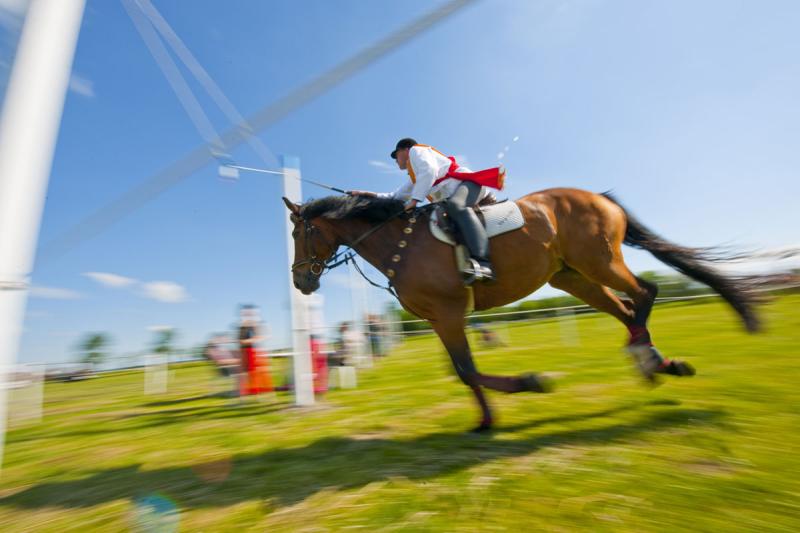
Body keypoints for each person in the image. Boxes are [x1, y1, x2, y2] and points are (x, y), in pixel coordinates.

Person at [351, 138, 505, 283]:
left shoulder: (416, 151)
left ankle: (484, 264)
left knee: (456, 205)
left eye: (396, 155)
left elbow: (429, 171)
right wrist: (366, 194)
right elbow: (395, 196)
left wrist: (415, 200)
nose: (395, 160)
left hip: (468, 184)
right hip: (455, 195)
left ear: (405, 149)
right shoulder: (415, 175)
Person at [238, 304, 273, 397]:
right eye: (247, 314)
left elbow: (262, 336)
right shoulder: (243, 327)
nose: (249, 316)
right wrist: (253, 339)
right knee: (248, 372)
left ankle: (257, 389)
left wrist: (257, 338)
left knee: (258, 371)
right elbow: (241, 341)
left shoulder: (254, 325)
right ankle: (249, 390)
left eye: (251, 313)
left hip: (255, 350)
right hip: (247, 351)